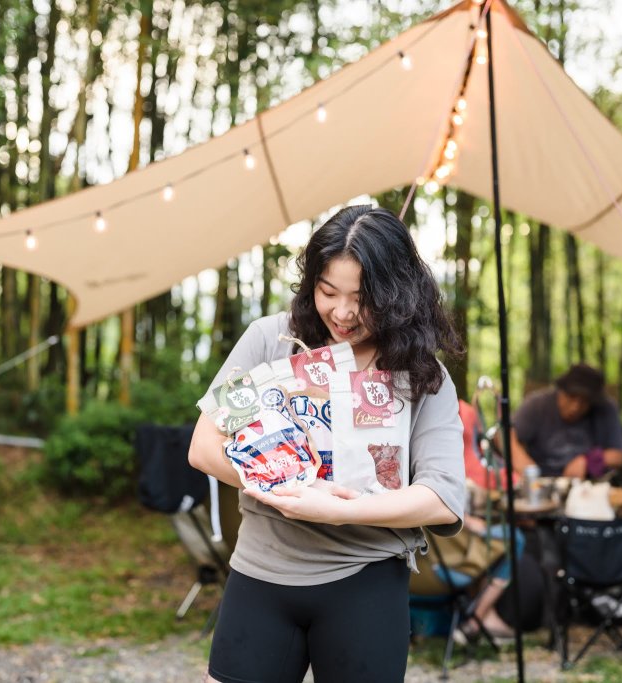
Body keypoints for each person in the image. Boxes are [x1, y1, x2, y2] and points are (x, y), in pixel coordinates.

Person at [188, 206, 466, 683]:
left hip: (367, 582)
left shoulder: (422, 374)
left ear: (397, 293)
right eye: (327, 291)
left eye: (362, 298)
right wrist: (281, 486)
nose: (342, 312)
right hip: (261, 574)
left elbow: (441, 497)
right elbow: (205, 446)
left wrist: (336, 510)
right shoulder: (272, 342)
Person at [509, 363, 622, 479]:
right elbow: (503, 434)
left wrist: (588, 460)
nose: (575, 407)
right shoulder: (537, 404)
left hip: (588, 486)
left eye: (584, 401)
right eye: (571, 397)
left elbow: (618, 456)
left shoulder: (605, 408)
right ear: (560, 390)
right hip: (541, 482)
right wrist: (522, 461)